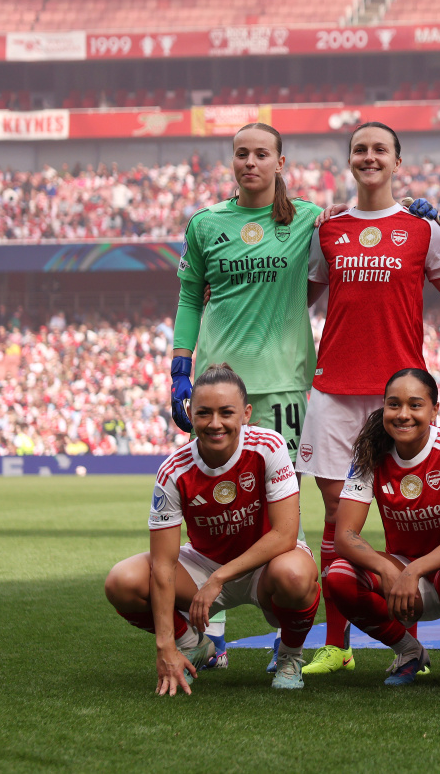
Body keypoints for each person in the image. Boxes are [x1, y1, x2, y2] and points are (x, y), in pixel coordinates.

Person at [299, 121, 440, 675]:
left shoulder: (423, 231)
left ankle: (422, 644)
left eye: (380, 150)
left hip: (400, 395)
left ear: (397, 161)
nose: (370, 157)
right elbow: (302, 294)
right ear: (350, 161)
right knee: (335, 519)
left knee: (404, 515)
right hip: (334, 389)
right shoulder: (328, 228)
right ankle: (337, 644)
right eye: (360, 149)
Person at [170, 122, 324, 666]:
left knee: (281, 503)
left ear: (281, 161)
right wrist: (180, 363)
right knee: (211, 501)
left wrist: (420, 214)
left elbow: (353, 243)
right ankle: (209, 629)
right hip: (216, 387)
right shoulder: (207, 223)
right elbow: (190, 295)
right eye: (241, 154)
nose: (250, 162)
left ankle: (287, 630)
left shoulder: (308, 219)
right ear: (231, 161)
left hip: (283, 385)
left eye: (261, 154)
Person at [104, 365, 321, 693]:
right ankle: (193, 643)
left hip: (265, 565)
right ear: (190, 413)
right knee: (122, 581)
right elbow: (163, 565)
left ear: (246, 414)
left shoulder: (269, 447)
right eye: (204, 413)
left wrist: (220, 579)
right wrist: (166, 646)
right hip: (202, 567)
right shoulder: (173, 471)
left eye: (226, 412)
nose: (215, 423)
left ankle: (290, 656)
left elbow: (285, 535)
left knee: (295, 575)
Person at [325, 368, 440, 687]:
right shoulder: (371, 453)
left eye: (415, 405)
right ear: (384, 407)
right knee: (339, 576)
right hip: (404, 574)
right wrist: (389, 570)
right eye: (394, 404)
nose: (403, 414)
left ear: (434, 410)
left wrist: (411, 571)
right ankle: (409, 652)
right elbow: (345, 536)